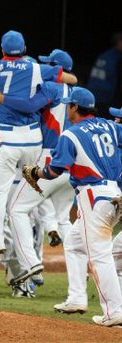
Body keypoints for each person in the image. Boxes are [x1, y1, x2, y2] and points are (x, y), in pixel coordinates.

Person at [0, 30, 77, 266]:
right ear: (24, 49)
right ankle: (35, 262)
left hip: (9, 141)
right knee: (33, 196)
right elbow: (71, 80)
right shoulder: (37, 71)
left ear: (2, 50)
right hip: (36, 141)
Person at [23, 87, 122, 327]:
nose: (67, 109)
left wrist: (36, 172)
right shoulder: (111, 126)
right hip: (114, 195)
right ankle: (77, 298)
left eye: (69, 105)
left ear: (76, 107)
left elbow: (55, 170)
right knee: (75, 243)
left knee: (99, 256)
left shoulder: (71, 134)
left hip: (95, 197)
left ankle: (115, 311)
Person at [0, 49, 76, 287]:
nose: (44, 69)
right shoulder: (75, 93)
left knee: (19, 209)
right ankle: (80, 272)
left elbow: (29, 107)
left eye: (49, 65)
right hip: (72, 161)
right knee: (62, 219)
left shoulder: (50, 89)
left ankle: (32, 266)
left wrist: (3, 99)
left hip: (49, 157)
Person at [86, 32, 122, 118]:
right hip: (106, 98)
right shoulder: (117, 58)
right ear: (119, 42)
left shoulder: (105, 55)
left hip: (93, 95)